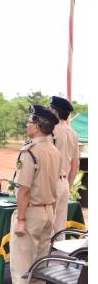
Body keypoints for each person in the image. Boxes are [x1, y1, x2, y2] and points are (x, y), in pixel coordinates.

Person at [0, 106, 61, 284]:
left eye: (29, 122)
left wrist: (22, 219)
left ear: (37, 126)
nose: (27, 125)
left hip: (31, 213)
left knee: (22, 265)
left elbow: (23, 190)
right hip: (48, 212)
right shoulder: (54, 150)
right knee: (39, 265)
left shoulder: (30, 152)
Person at [48, 96, 81, 235]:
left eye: (50, 108)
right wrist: (67, 183)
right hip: (64, 183)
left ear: (55, 112)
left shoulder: (50, 130)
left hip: (50, 182)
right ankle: (58, 256)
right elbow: (76, 163)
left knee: (47, 225)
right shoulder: (73, 133)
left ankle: (44, 257)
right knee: (60, 227)